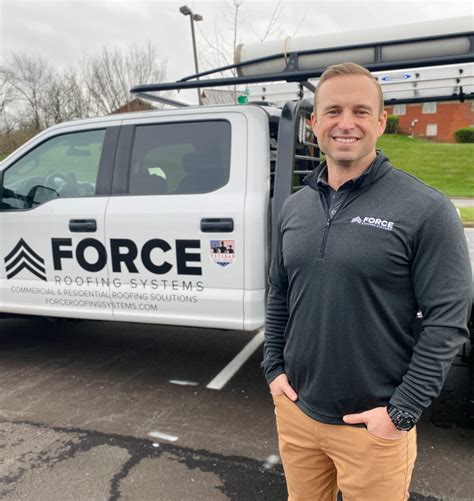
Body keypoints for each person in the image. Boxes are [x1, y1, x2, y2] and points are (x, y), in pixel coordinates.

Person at [262, 62, 472, 501]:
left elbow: (448, 322)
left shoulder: (426, 209)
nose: (346, 123)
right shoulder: (295, 207)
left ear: (380, 122)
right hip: (297, 413)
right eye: (333, 111)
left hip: (374, 428)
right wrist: (273, 367)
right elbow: (280, 290)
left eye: (360, 111)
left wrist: (401, 413)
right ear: (314, 124)